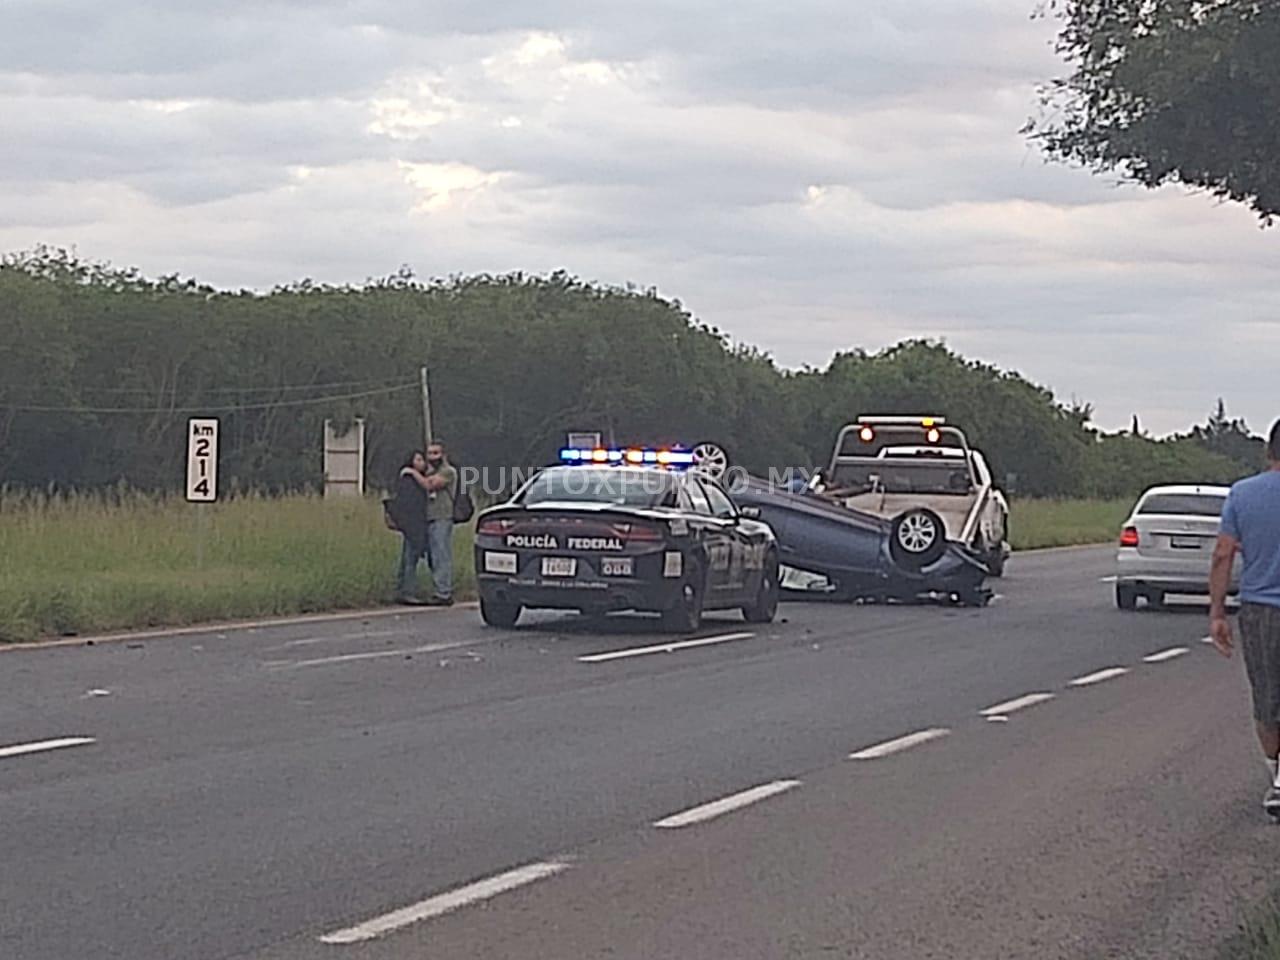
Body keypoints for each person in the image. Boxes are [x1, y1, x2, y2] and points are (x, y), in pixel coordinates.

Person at [1210, 418, 1280, 818]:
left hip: (1261, 609)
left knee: (1268, 696)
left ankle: (1277, 778)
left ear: (1269, 451)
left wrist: (1217, 612)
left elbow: (1223, 553)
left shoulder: (1243, 494)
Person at [387, 452, 430, 605]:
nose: (422, 462)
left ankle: (401, 589)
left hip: (410, 525)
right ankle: (407, 591)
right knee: (410, 559)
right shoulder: (410, 481)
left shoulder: (411, 478)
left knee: (406, 559)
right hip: (414, 525)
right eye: (418, 459)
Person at [422, 440, 458, 606]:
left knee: (441, 554)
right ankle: (439, 587)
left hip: (443, 516)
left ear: (443, 455)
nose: (432, 457)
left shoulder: (448, 471)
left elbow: (431, 485)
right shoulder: (430, 471)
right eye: (429, 453)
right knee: (433, 555)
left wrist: (413, 473)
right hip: (430, 516)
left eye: (436, 453)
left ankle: (444, 592)